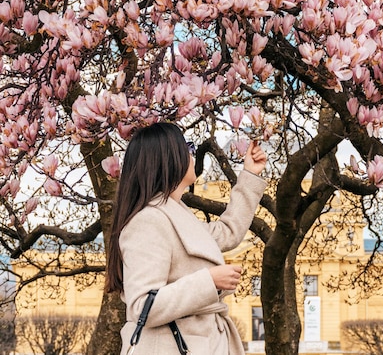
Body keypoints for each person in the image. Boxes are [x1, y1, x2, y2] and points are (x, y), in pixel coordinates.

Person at [105, 121, 267, 355]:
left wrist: (250, 175)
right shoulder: (148, 221)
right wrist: (209, 281)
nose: (193, 154)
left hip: (200, 343)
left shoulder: (176, 215)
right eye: (188, 147)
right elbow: (142, 307)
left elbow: (228, 231)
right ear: (169, 158)